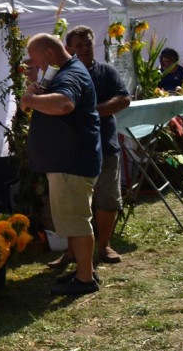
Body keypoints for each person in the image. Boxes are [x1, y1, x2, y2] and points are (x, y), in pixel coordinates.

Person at [20, 34, 101, 296]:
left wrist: (29, 100)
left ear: (50, 54)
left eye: (36, 59)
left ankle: (85, 278)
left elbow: (65, 104)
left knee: (77, 221)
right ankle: (83, 271)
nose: (35, 64)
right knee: (73, 220)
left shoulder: (70, 74)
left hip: (72, 163)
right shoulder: (66, 71)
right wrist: (38, 91)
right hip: (68, 162)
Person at [46, 26, 130, 269]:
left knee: (107, 199)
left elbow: (123, 98)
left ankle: (104, 246)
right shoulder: (61, 73)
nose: (84, 49)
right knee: (72, 205)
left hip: (105, 145)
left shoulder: (106, 71)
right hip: (72, 150)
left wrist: (92, 112)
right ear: (68, 48)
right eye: (78, 45)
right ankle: (71, 252)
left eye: (88, 44)